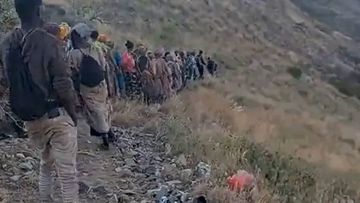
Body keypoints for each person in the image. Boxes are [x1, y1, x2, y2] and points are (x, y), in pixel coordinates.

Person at [0, 0, 79, 202]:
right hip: (55, 115)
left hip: (29, 117)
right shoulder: (50, 42)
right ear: (38, 9)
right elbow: (63, 85)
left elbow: (4, 81)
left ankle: (45, 199)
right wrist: (73, 114)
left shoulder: (7, 42)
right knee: (68, 174)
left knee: (45, 161)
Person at [68, 24, 113, 150]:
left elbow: (70, 72)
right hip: (101, 83)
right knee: (103, 107)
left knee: (94, 110)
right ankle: (109, 132)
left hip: (86, 86)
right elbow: (104, 67)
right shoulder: (97, 49)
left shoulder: (74, 53)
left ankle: (104, 135)